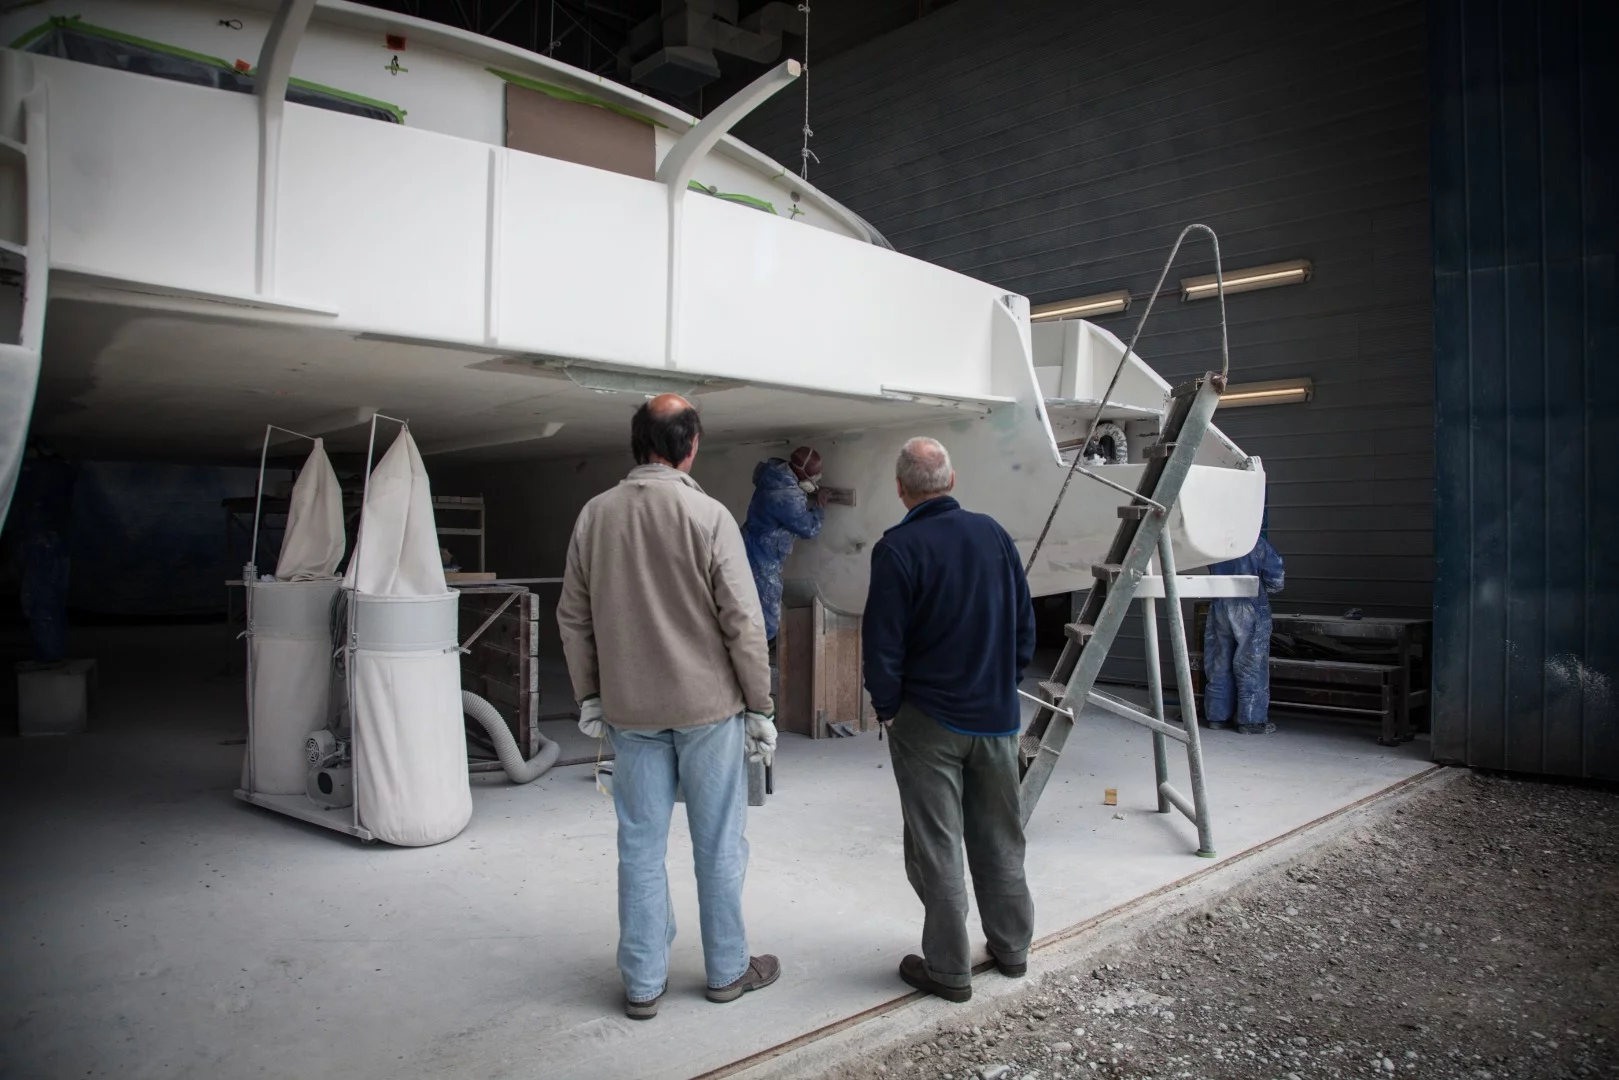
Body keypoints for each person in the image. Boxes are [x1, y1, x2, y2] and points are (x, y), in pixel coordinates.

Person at [556, 393, 781, 1021]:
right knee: (717, 846)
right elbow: (744, 621)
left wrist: (590, 694)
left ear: (637, 444)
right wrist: (760, 707)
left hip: (630, 712)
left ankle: (643, 983)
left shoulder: (594, 516)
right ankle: (728, 971)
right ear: (691, 446)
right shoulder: (708, 516)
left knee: (639, 847)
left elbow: (572, 615)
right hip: (708, 709)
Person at [861, 436, 1036, 1004]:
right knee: (1000, 839)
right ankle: (1011, 950)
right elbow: (1024, 628)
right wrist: (1001, 685)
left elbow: (881, 646)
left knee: (937, 848)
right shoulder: (995, 536)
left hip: (928, 723)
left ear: (901, 489)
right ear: (952, 481)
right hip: (996, 718)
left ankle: (949, 970)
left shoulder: (897, 550)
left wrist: (888, 710)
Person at [1203, 515, 1285, 734]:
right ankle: (1251, 721)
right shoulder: (1255, 544)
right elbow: (1276, 582)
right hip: (1250, 606)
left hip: (1220, 606)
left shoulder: (1215, 544)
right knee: (1251, 665)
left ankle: (1216, 717)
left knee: (1219, 662)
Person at [741, 446, 826, 646]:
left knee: (744, 599)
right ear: (801, 472)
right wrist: (820, 507)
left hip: (745, 543)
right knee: (769, 613)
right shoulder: (787, 496)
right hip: (763, 556)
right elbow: (809, 529)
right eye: (814, 476)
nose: (816, 480)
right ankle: (758, 654)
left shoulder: (771, 473)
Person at [10, 441, 77, 664]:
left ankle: (49, 656)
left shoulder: (39, 475)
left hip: (40, 540)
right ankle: (50, 654)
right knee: (47, 598)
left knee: (41, 600)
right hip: (51, 539)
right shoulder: (62, 473)